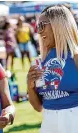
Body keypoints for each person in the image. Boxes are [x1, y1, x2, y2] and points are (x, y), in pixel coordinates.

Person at [27, 5, 78, 133]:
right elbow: (38, 107)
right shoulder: (39, 61)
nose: (39, 31)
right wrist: (30, 86)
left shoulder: (75, 57)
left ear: (58, 25)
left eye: (42, 25)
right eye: (38, 26)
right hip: (49, 124)